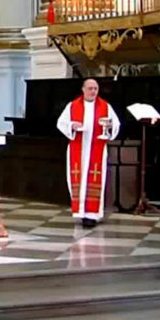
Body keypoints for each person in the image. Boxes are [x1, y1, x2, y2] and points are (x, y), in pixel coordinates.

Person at [56, 78, 121, 227]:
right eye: (90, 88)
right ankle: (80, 211)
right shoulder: (72, 106)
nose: (93, 91)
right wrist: (73, 125)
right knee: (78, 179)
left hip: (96, 148)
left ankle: (91, 215)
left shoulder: (105, 106)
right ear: (83, 89)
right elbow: (61, 123)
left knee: (95, 179)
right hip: (78, 149)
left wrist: (110, 126)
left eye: (95, 89)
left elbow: (116, 124)